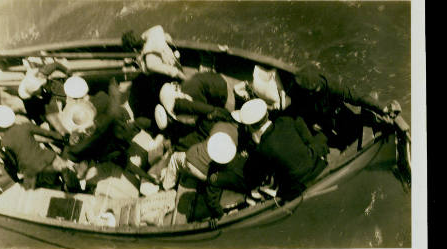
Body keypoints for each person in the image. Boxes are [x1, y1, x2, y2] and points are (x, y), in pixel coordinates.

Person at [234, 64, 402, 150]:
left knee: (351, 132)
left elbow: (356, 96)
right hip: (314, 116)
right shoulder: (298, 87)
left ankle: (374, 121)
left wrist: (382, 108)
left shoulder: (332, 86)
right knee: (324, 137)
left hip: (336, 114)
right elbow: (295, 107)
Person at [232, 98, 330, 203]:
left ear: (250, 126)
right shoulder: (286, 121)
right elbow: (307, 140)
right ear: (267, 114)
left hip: (299, 185)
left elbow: (265, 173)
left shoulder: (261, 149)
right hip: (318, 165)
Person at [0, 105, 82, 191]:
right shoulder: (24, 126)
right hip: (45, 159)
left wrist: (20, 175)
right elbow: (46, 133)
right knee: (66, 170)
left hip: (31, 170)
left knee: (51, 182)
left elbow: (12, 161)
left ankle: (60, 190)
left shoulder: (4, 141)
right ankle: (77, 190)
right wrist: (65, 138)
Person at [122, 25, 189, 123]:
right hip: (174, 60)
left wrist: (186, 80)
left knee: (145, 84)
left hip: (171, 79)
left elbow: (174, 72)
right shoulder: (156, 31)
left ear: (134, 49)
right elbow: (167, 37)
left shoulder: (150, 62)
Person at [162, 122, 239, 206]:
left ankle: (166, 187)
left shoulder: (218, 125)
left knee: (174, 158)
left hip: (191, 164)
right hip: (206, 176)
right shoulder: (236, 139)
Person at [156, 72, 236, 150]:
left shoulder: (180, 105)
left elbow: (210, 110)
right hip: (212, 78)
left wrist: (229, 118)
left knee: (208, 121)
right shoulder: (169, 100)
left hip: (219, 89)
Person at [18, 61, 72, 131]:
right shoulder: (28, 100)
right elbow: (32, 113)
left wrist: (67, 71)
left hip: (55, 89)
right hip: (47, 103)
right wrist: (40, 123)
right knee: (54, 116)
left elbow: (56, 65)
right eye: (36, 91)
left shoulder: (41, 74)